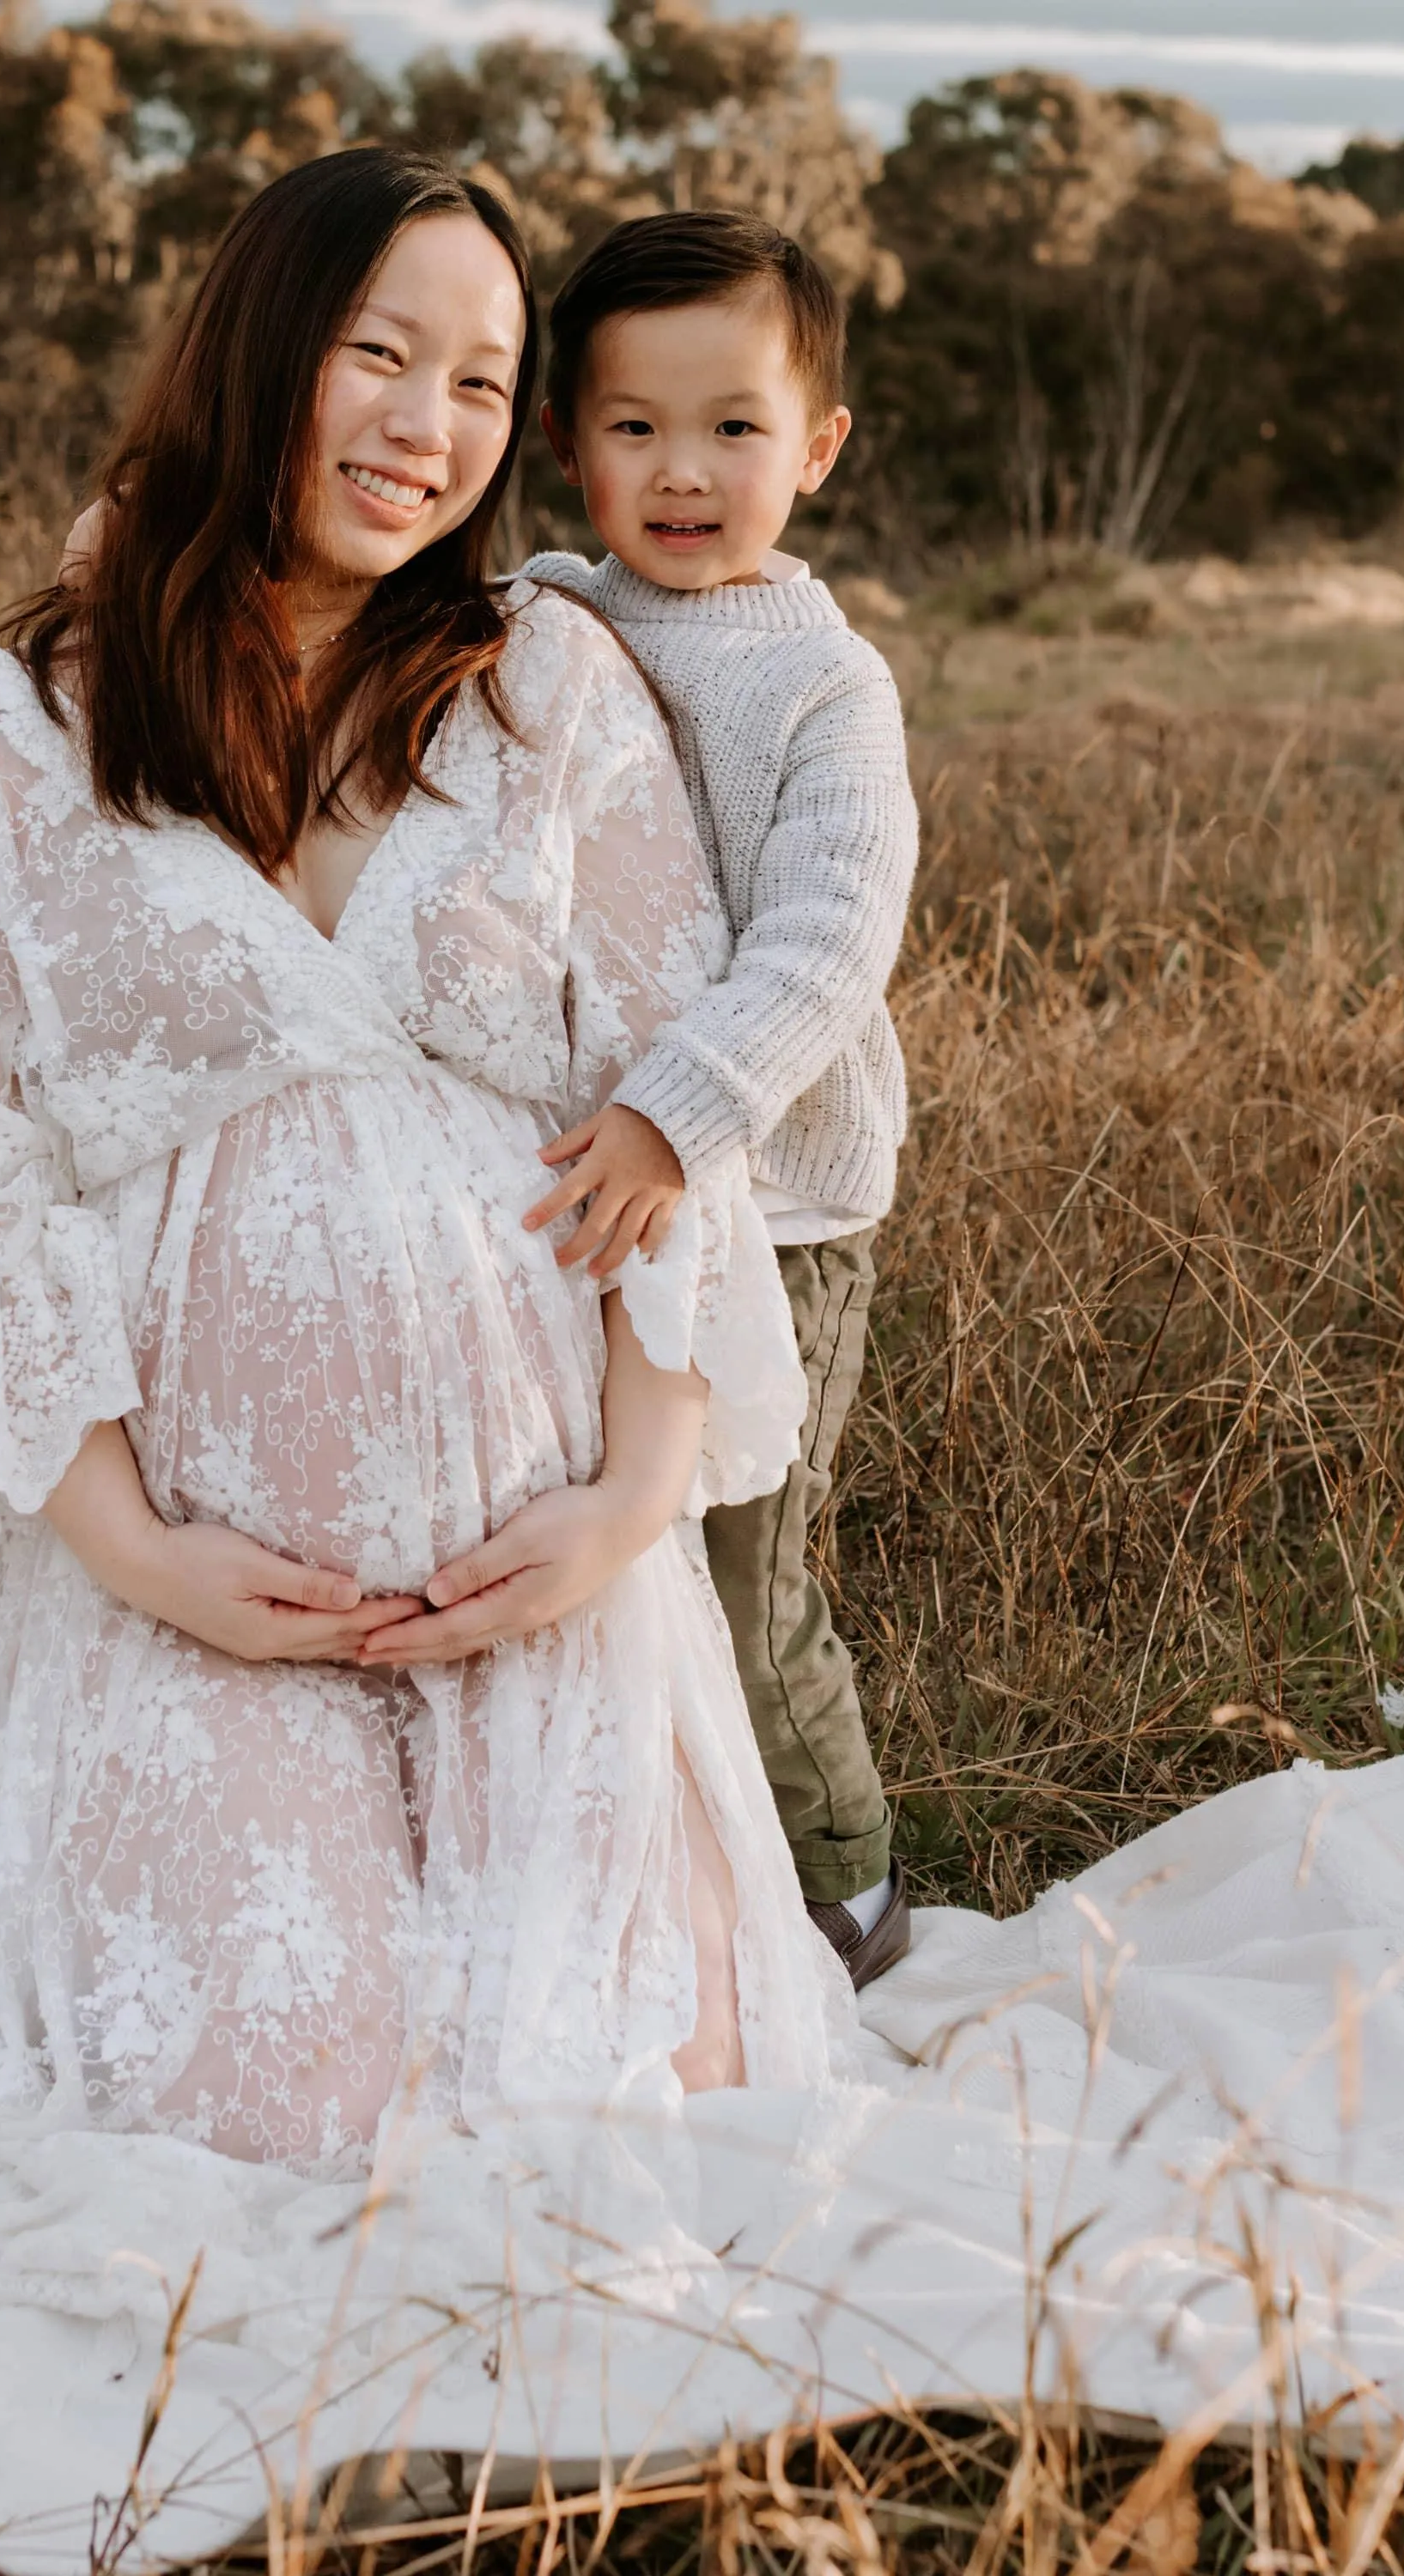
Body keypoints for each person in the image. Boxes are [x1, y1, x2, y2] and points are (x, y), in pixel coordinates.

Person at [0, 149, 854, 2178]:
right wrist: (144, 1553)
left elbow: (675, 1108)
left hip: (543, 1555)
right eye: (376, 353)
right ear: (255, 346)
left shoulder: (552, 686)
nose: (427, 426)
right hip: (194, 1577)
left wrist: (629, 1505)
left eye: (483, 385)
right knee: (281, 2119)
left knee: (655, 2094)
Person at [514, 213, 918, 1989]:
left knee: (741, 1562)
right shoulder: (542, 610)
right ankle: (658, 1864)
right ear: (570, 440)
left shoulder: (822, 685)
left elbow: (830, 943)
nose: (682, 474)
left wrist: (686, 1110)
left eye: (734, 428)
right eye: (633, 428)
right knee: (607, 1546)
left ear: (817, 447)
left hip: (777, 1202)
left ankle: (845, 1895)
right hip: (590, 1187)